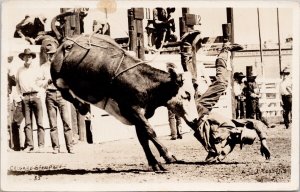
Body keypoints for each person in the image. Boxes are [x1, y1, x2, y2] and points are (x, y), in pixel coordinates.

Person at [192, 43, 271, 163]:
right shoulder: (234, 125)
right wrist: (263, 142)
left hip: (200, 112)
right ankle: (223, 52)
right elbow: (257, 123)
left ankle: (223, 51)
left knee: (221, 83)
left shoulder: (226, 140)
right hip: (202, 111)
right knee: (221, 83)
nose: (237, 133)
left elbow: (219, 152)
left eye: (238, 136)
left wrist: (218, 155)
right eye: (240, 132)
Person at [39, 46, 74, 154]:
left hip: (61, 94)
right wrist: (47, 82)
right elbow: (38, 82)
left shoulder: (62, 65)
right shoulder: (43, 67)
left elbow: (69, 80)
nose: (52, 56)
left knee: (66, 122)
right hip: (50, 94)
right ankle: (56, 147)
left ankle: (70, 146)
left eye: (54, 54)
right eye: (50, 54)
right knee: (53, 123)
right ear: (47, 55)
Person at [16, 48, 44, 152]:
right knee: (27, 123)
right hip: (25, 97)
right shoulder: (19, 70)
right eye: (26, 56)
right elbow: (17, 84)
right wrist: (20, 96)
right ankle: (29, 145)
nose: (28, 58)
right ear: (23, 58)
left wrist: (40, 93)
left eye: (30, 56)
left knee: (39, 122)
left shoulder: (37, 69)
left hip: (36, 96)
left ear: (32, 58)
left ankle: (41, 145)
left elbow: (42, 81)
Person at [166, 62, 183, 140]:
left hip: (171, 99)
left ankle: (174, 135)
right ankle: (180, 133)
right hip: (179, 99)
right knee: (178, 117)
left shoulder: (169, 78)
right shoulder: (179, 76)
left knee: (171, 117)